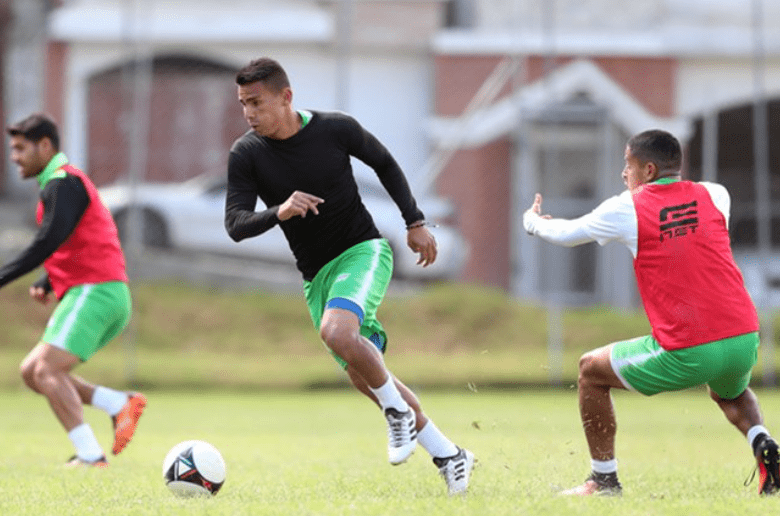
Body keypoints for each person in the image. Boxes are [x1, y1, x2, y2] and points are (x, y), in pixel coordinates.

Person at [224, 57, 474, 495]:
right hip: (315, 277)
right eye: (243, 103)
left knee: (338, 334)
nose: (249, 113)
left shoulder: (335, 129)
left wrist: (414, 222)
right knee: (367, 376)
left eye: (256, 103)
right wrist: (280, 211)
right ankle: (450, 455)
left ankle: (396, 414)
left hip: (363, 251)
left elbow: (385, 163)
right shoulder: (246, 154)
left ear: (286, 97)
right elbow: (235, 224)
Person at [523, 128, 780, 496]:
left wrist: (532, 221)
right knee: (730, 392)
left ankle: (604, 480)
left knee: (590, 371)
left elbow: (566, 234)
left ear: (648, 169)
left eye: (628, 166)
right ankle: (763, 442)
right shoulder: (715, 193)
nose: (623, 174)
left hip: (691, 347)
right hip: (743, 336)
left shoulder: (626, 208)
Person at [0, 113, 147, 468]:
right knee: (33, 372)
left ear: (45, 146)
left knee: (45, 370)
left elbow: (47, 241)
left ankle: (90, 456)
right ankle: (117, 404)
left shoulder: (63, 183)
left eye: (20, 149)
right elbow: (74, 238)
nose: (14, 157)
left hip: (97, 291)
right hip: (96, 291)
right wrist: (48, 279)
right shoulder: (62, 183)